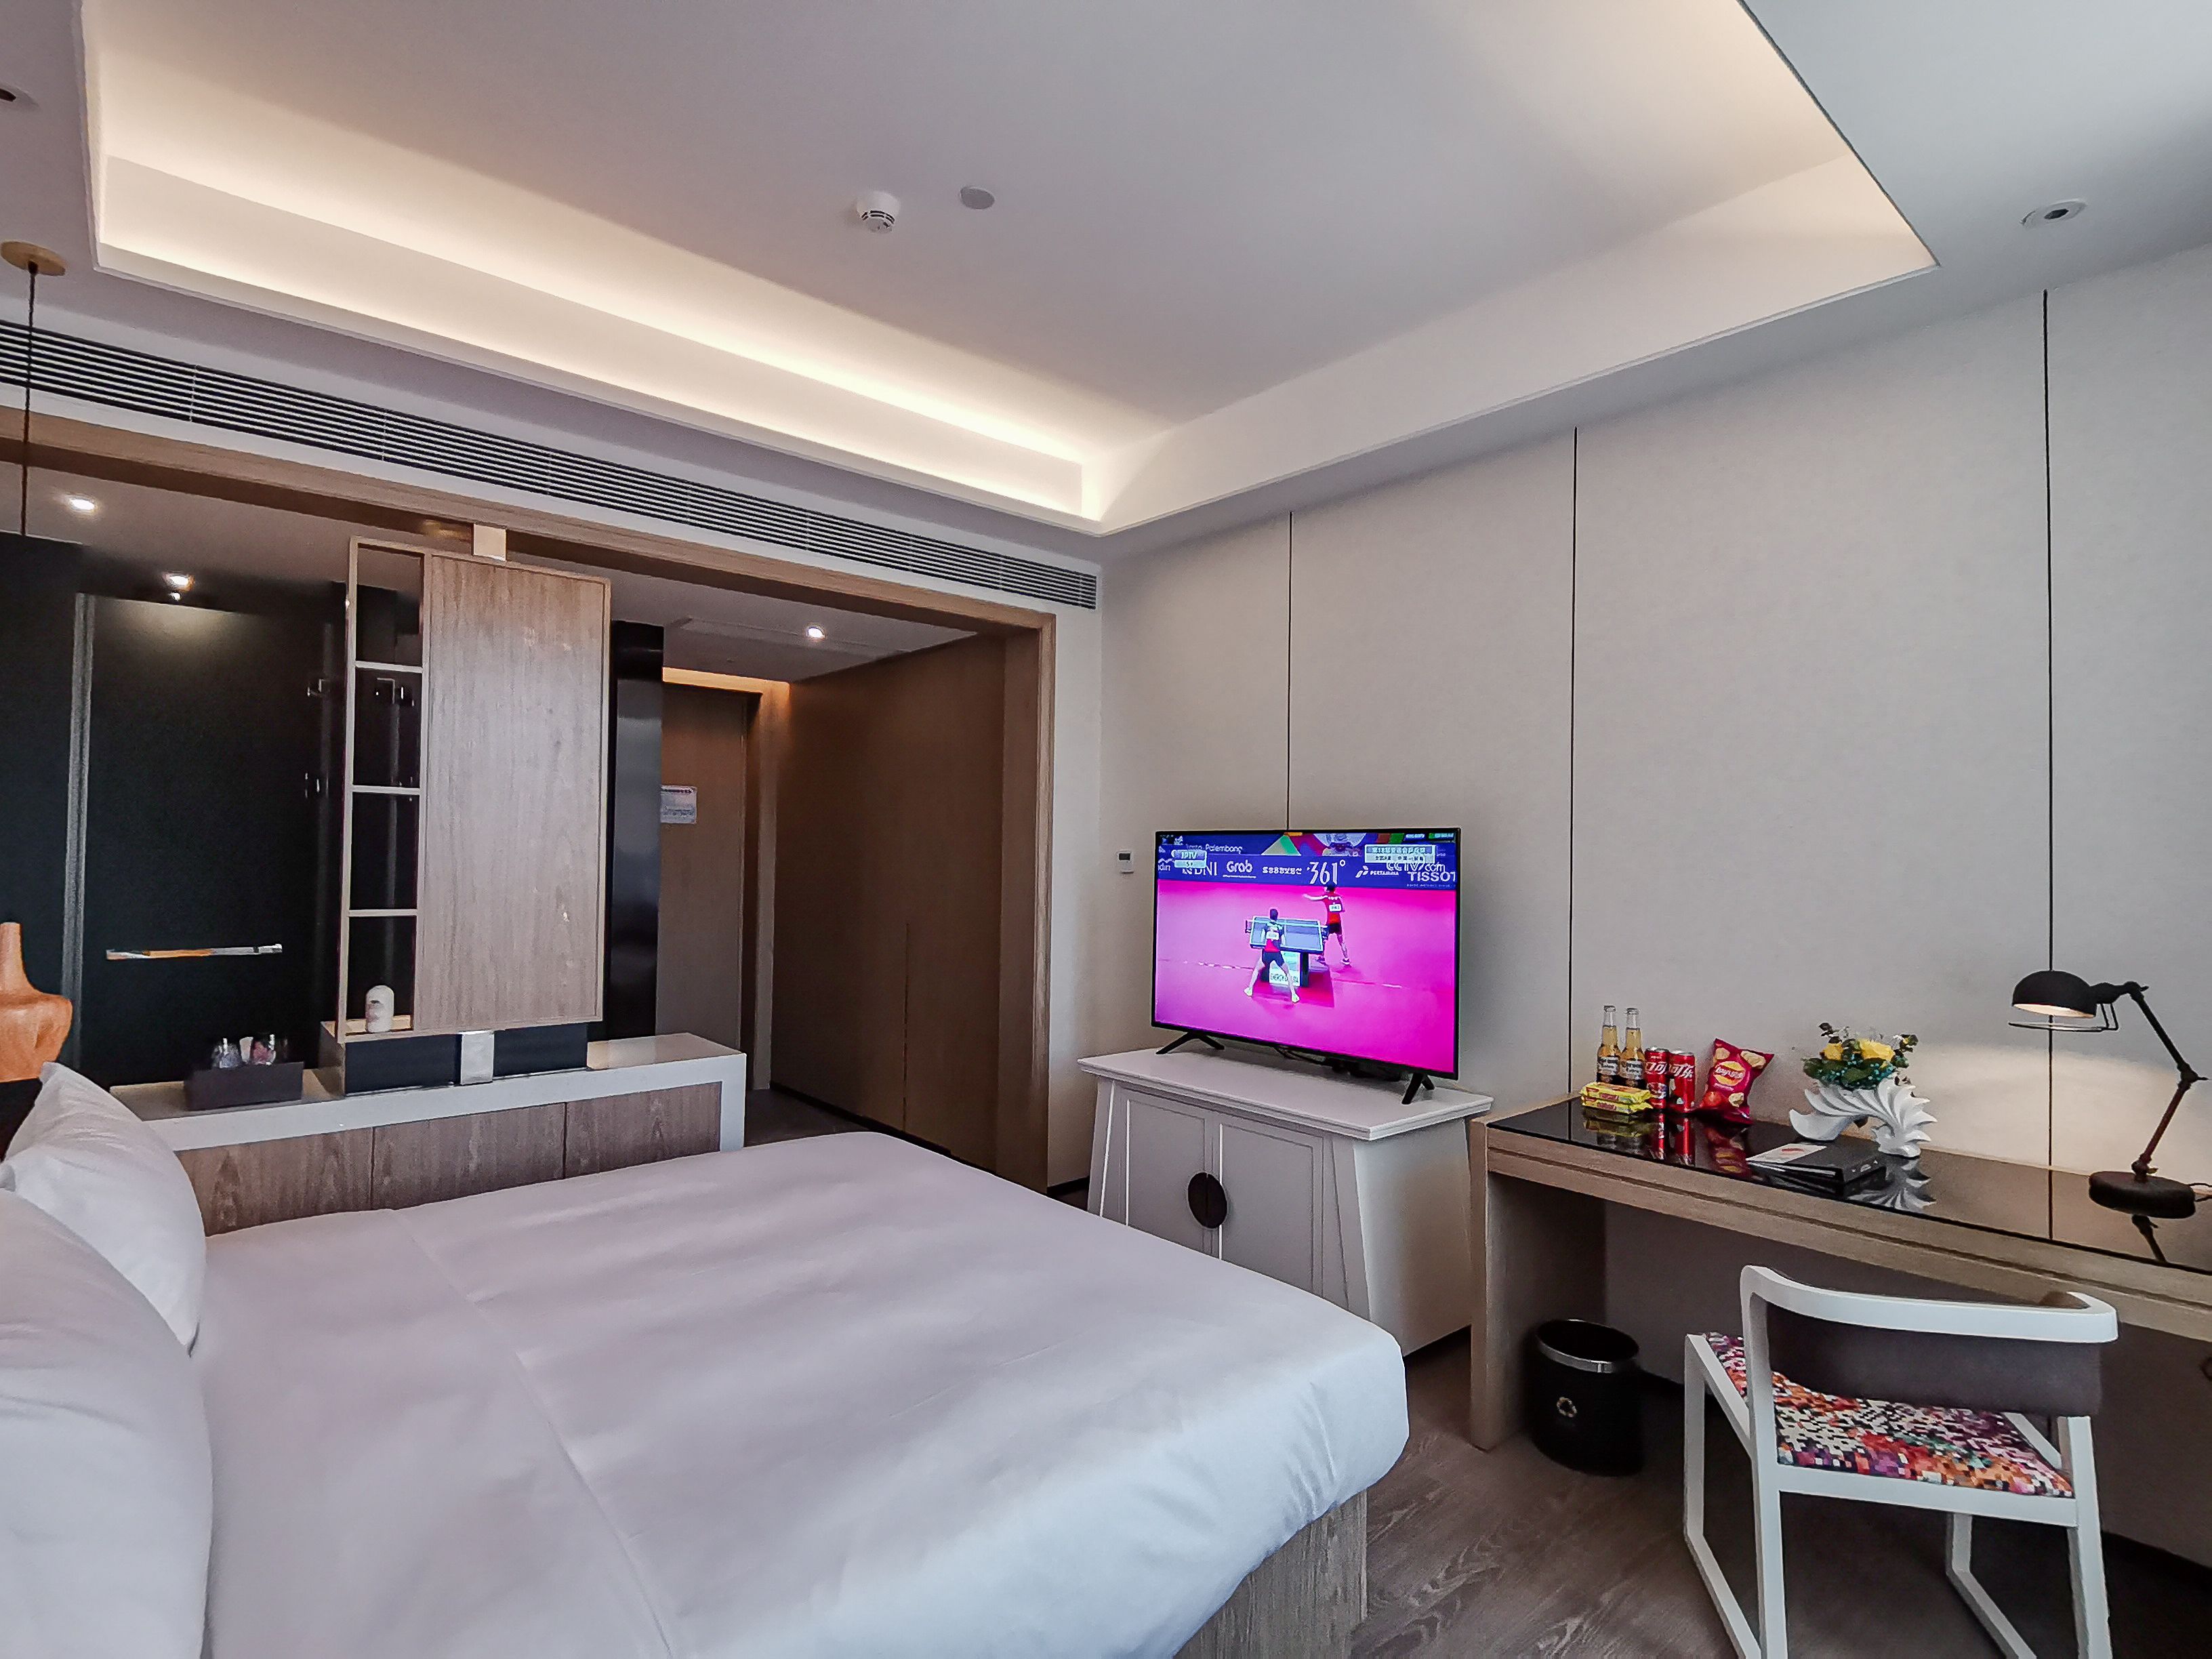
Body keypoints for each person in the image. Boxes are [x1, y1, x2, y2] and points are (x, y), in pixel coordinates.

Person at [1244, 908, 1298, 1004]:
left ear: (1270, 916)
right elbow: (1284, 942)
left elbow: (1262, 940)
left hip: (1267, 953)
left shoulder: (1266, 926)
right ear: (1277, 916)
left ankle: (1250, 989)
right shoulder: (1280, 928)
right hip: (1277, 954)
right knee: (1287, 973)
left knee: (1257, 970)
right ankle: (1294, 995)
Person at [1306, 880, 1351, 967]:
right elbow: (1343, 909)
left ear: (1328, 889)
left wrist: (1307, 897)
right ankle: (1347, 959)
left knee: (1323, 940)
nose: (1324, 888)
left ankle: (1321, 957)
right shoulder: (1339, 897)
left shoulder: (1326, 897)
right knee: (1342, 942)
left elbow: (1314, 899)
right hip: (1338, 923)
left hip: (1330, 923)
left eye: (1325, 887)